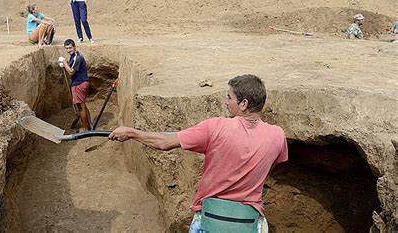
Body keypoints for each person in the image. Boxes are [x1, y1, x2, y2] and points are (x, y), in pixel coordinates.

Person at [109, 74, 288, 232]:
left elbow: (165, 142)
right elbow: (267, 170)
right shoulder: (278, 136)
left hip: (211, 219)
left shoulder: (215, 127)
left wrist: (132, 133)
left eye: (229, 97)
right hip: (249, 221)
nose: (226, 102)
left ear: (244, 104)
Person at [59, 39, 92, 132]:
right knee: (83, 105)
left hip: (79, 84)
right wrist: (65, 65)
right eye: (67, 48)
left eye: (70, 48)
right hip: (81, 83)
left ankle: (85, 128)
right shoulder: (74, 56)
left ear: (74, 47)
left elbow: (71, 72)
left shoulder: (77, 57)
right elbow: (70, 67)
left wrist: (64, 62)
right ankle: (89, 125)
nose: (68, 50)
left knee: (81, 107)